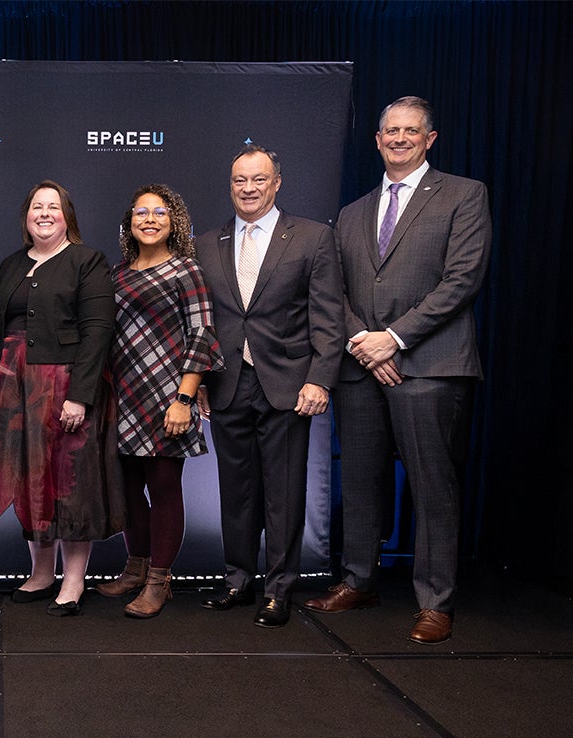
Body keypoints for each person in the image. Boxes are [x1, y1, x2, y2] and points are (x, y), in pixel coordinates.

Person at [305, 97, 491, 645]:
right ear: (378, 140)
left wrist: (395, 340)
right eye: (391, 131)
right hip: (363, 366)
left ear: (430, 139)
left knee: (433, 488)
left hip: (432, 365)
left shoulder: (464, 195)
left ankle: (436, 602)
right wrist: (367, 344)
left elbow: (462, 281)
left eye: (412, 131)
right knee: (360, 481)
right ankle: (359, 580)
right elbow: (332, 290)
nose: (400, 138)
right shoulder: (355, 211)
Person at [195, 145, 345, 628]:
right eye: (240, 180)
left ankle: (279, 589)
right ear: (230, 184)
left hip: (287, 384)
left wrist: (320, 378)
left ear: (277, 182)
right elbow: (201, 323)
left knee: (282, 492)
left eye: (258, 179)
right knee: (236, 491)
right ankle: (238, 580)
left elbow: (327, 316)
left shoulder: (312, 237)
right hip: (227, 385)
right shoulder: (207, 242)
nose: (249, 188)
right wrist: (196, 382)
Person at [0, 180, 123, 617]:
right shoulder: (10, 265)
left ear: (67, 216)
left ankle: (73, 581)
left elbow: (98, 331)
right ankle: (41, 574)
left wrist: (80, 396)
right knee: (30, 477)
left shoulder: (87, 261)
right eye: (36, 206)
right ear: (26, 216)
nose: (44, 213)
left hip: (64, 387)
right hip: (12, 388)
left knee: (69, 480)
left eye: (53, 207)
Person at [96, 185, 223, 618]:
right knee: (129, 489)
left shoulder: (186, 270)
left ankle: (159, 581)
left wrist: (184, 398)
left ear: (174, 222)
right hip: (124, 395)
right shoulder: (117, 274)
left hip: (168, 396)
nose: (149, 219)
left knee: (164, 488)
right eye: (141, 212)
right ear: (129, 222)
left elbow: (203, 334)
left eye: (160, 213)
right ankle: (135, 568)